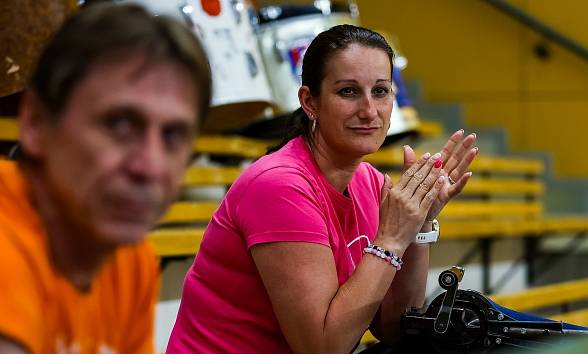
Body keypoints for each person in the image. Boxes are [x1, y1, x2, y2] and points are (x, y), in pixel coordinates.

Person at [167, 24, 478, 353]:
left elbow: (396, 329)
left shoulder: (371, 183)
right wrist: (392, 238)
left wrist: (419, 225)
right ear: (309, 101)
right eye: (348, 91)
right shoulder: (280, 186)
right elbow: (322, 348)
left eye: (381, 91)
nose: (369, 111)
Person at [0, 3, 211, 354]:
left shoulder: (130, 261)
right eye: (120, 124)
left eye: (173, 136)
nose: (150, 167)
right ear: (36, 123)